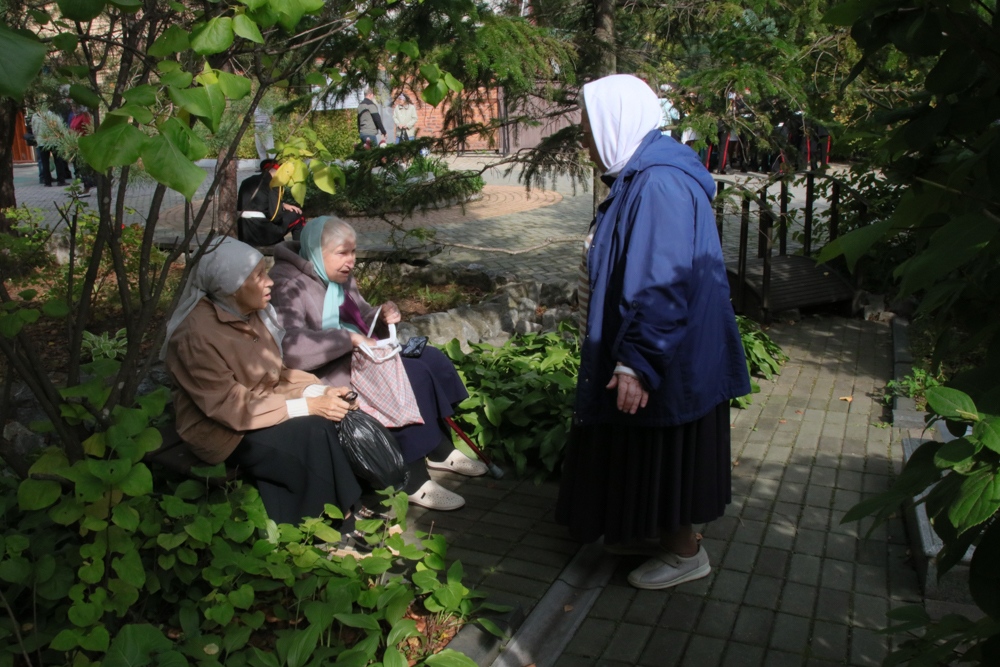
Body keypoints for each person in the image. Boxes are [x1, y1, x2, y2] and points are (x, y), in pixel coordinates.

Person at [556, 74, 751, 590]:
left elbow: (662, 281)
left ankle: (685, 553)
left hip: (668, 354)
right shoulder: (645, 174)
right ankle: (655, 535)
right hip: (668, 349)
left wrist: (638, 361)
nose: (585, 140)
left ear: (614, 123)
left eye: (588, 127)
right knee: (646, 449)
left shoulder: (658, 183)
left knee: (664, 451)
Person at [162, 236, 375, 545]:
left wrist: (319, 392)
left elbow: (278, 373)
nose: (269, 282)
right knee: (310, 432)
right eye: (259, 276)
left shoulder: (251, 314)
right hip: (219, 430)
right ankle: (326, 530)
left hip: (262, 407)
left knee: (328, 419)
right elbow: (228, 405)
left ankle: (343, 511)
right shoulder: (195, 335)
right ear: (230, 286)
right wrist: (307, 406)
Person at [268, 216, 487, 511]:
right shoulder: (287, 283)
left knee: (430, 358)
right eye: (342, 253)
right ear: (317, 252)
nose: (351, 261)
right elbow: (290, 348)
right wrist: (348, 339)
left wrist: (381, 315)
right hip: (326, 372)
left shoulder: (338, 274)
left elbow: (360, 314)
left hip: (361, 356)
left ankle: (438, 449)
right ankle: (412, 479)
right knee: (410, 378)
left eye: (353, 252)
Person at [237, 159, 307, 246]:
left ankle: (279, 241)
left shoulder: (246, 181)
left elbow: (259, 203)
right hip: (261, 233)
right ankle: (299, 249)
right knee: (298, 215)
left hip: (244, 232)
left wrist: (282, 205)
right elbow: (275, 216)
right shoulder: (275, 183)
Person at [30, 109, 72, 187]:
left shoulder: (35, 116)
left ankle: (47, 182)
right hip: (54, 141)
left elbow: (34, 129)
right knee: (58, 161)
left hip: (42, 142)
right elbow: (60, 127)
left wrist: (37, 139)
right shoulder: (53, 115)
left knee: (45, 163)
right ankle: (61, 180)